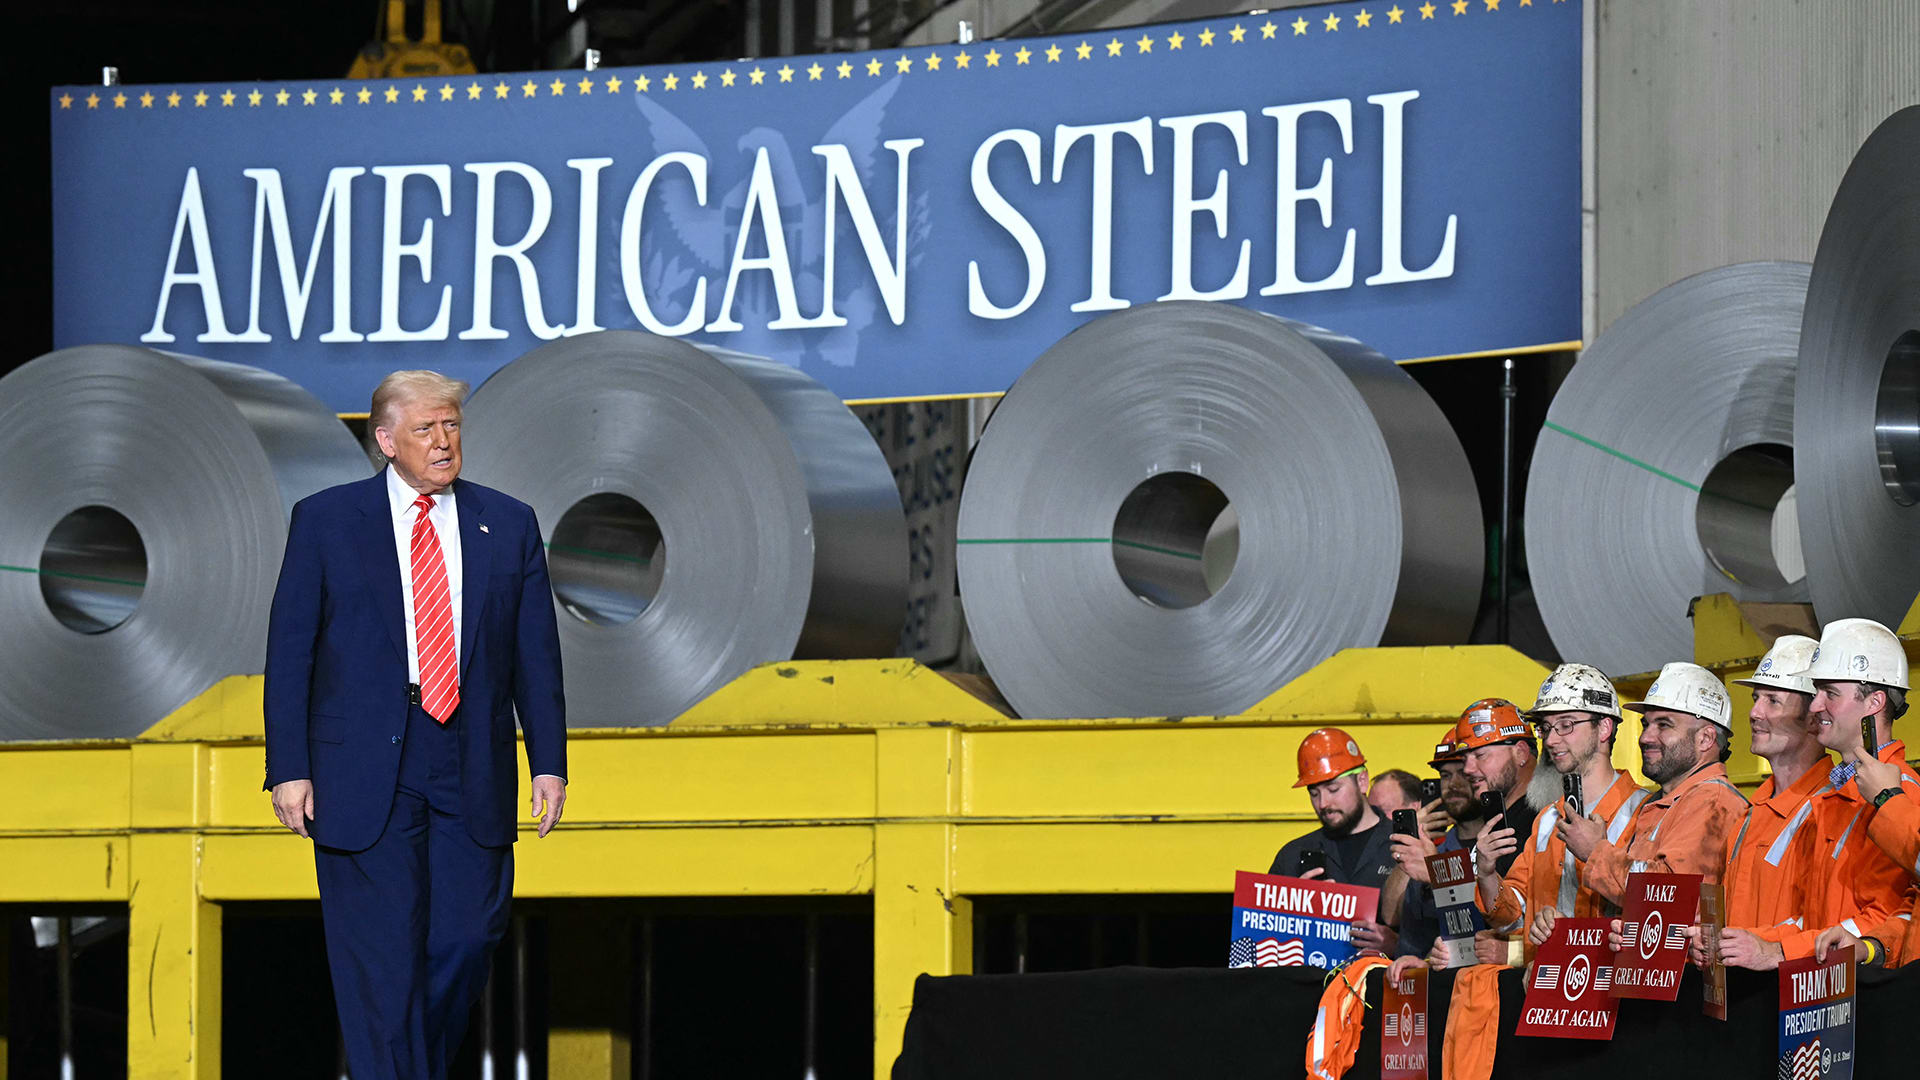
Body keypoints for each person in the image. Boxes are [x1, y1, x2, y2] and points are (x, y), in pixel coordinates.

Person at [263, 370, 569, 1080]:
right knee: (381, 958)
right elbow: (290, 649)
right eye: (427, 429)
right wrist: (289, 766)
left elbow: (536, 654)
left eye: (452, 426)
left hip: (470, 758)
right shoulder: (327, 519)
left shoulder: (509, 522)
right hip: (364, 765)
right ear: (386, 440)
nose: (443, 442)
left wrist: (548, 761)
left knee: (467, 936)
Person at [1711, 634, 1905, 969]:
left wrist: (1775, 952)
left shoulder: (1894, 794)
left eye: (1772, 700)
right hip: (1801, 994)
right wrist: (1737, 944)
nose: (1754, 713)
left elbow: (1884, 917)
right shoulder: (1825, 801)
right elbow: (1813, 921)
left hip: (1858, 997)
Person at [1478, 664, 1648, 963]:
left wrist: (1570, 933)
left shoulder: (1644, 812)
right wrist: (1488, 874)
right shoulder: (1546, 820)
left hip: (1611, 996)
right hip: (1548, 998)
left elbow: (1655, 914)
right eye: (1546, 728)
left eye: (1566, 725)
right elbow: (1512, 918)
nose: (1551, 740)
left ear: (1604, 728)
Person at [1568, 661, 1748, 905]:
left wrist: (1595, 851)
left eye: (1664, 725)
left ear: (1705, 738)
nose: (1645, 737)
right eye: (1646, 724)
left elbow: (1671, 897)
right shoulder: (1664, 802)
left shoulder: (1713, 802)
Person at [1798, 620, 1920, 968]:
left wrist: (1783, 951)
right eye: (1816, 691)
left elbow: (1888, 914)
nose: (1814, 705)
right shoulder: (1833, 794)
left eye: (1830, 693)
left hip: (1869, 992)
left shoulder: (1902, 795)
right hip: (1825, 989)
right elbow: (1814, 917)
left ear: (1874, 702)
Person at [1270, 727, 1398, 953]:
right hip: (1318, 986)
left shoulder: (1403, 845)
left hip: (1385, 983)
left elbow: (1439, 932)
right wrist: (1295, 910)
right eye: (1314, 793)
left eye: (1333, 789)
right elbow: (1266, 940)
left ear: (1362, 781)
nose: (1323, 803)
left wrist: (1397, 946)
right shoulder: (1291, 856)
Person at [1386, 720, 1486, 962]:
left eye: (1462, 773)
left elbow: (1490, 924)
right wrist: (1411, 838)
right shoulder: (1436, 846)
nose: (1453, 784)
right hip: (1409, 986)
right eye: (1445, 775)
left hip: (1463, 986)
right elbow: (1391, 915)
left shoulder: (1497, 845)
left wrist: (1436, 869)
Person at [1460, 697, 1558, 882]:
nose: (1467, 769)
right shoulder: (1501, 820)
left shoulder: (1539, 824)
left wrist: (1437, 877)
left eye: (1480, 755)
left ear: (1520, 753)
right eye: (1464, 759)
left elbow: (1504, 905)